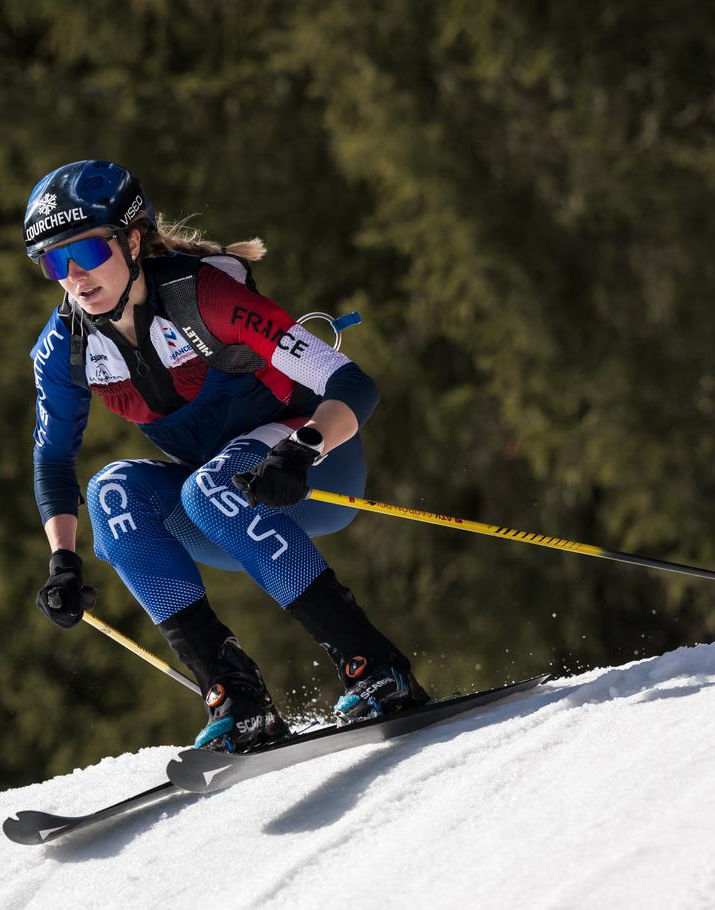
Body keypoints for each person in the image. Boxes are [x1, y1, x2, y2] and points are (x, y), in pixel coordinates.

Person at [27, 159, 427, 753]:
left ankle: (376, 667)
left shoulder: (202, 297)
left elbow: (352, 385)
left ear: (133, 239)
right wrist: (63, 562)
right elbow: (53, 463)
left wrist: (303, 449)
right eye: (53, 263)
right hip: (220, 502)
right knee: (113, 496)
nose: (74, 278)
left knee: (207, 488)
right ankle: (235, 697)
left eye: (85, 252)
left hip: (312, 467)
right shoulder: (67, 347)